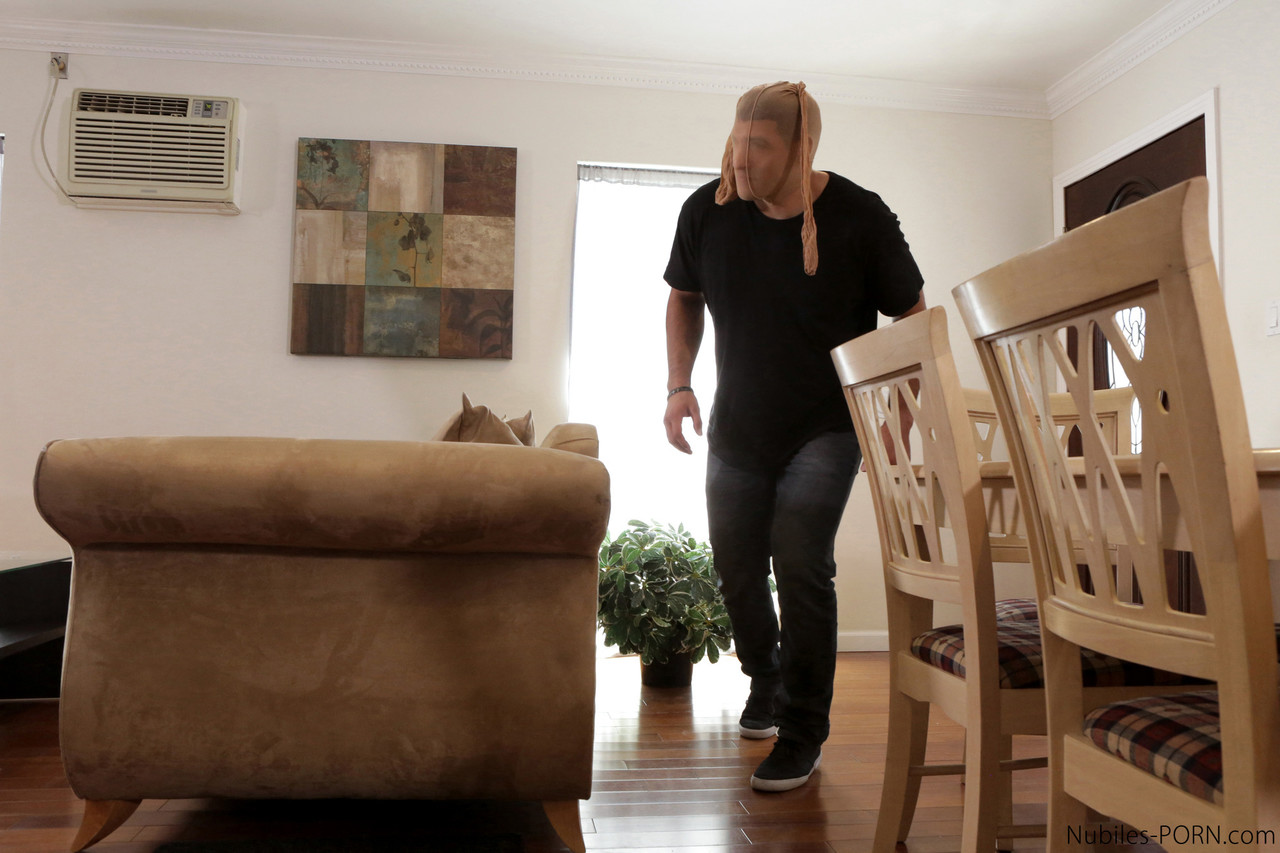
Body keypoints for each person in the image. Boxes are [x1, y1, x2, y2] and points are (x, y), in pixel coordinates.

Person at [662, 81, 925, 792]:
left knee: (802, 562)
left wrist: (898, 416)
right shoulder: (707, 211)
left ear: (801, 147)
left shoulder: (861, 217)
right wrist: (679, 386)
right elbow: (683, 296)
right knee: (736, 566)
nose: (740, 160)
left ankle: (803, 730)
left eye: (759, 146)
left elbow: (913, 317)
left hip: (826, 427)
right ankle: (766, 676)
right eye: (736, 142)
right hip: (738, 427)